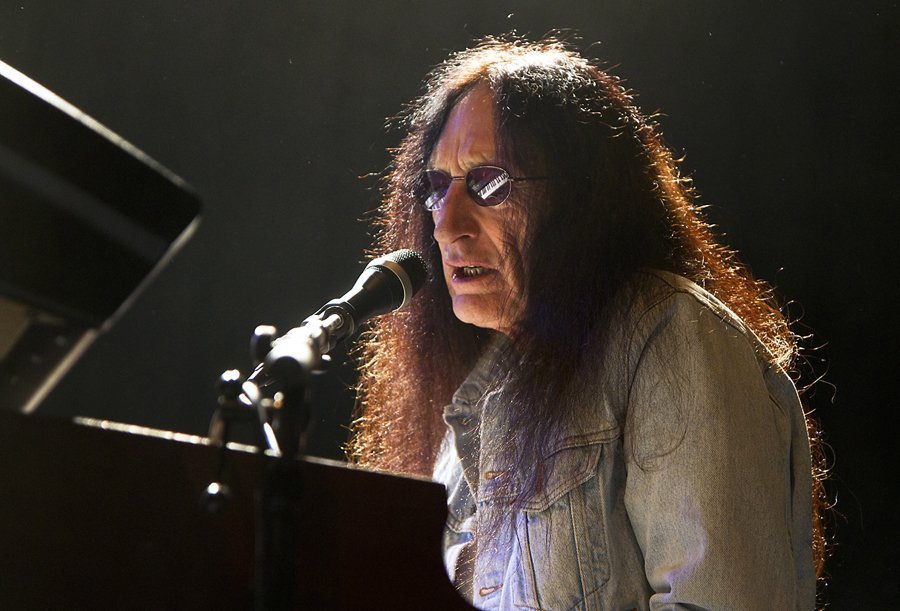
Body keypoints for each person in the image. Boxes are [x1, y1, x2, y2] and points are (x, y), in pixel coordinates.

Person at [349, 36, 826, 609]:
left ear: (582, 198)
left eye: (489, 184)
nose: (447, 225)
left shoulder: (671, 336)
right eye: (435, 187)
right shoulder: (474, 404)